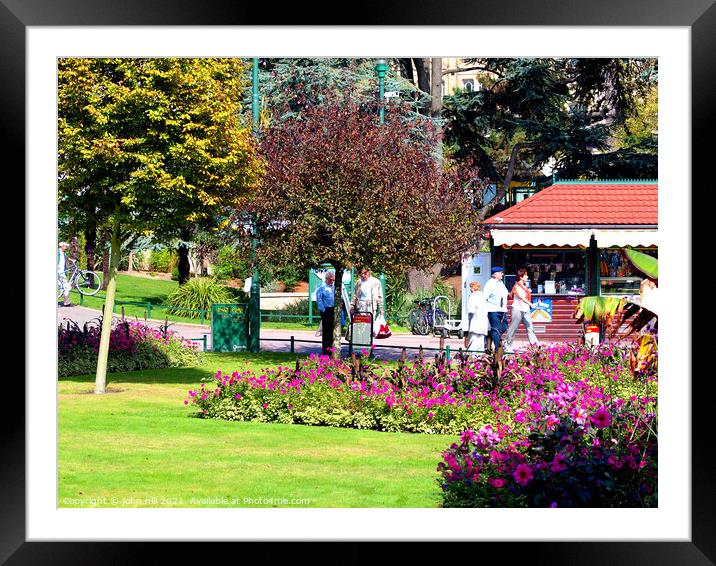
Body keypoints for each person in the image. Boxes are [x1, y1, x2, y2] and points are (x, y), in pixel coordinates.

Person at [504, 268, 539, 353]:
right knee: (513, 328)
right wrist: (531, 304)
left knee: (530, 328)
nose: (527, 276)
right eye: (526, 275)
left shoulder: (524, 285)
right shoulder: (516, 286)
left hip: (525, 310)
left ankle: (535, 346)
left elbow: (525, 294)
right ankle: (507, 345)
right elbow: (521, 297)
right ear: (521, 277)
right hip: (517, 309)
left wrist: (529, 291)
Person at [483, 266, 509, 353]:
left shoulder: (501, 283)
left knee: (504, 326)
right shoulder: (489, 284)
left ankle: (490, 336)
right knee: (496, 329)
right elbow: (485, 298)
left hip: (502, 309)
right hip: (493, 309)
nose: (502, 274)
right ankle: (498, 350)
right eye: (500, 272)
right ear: (495, 274)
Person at [351, 267, 384, 335]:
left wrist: (381, 307)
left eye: (365, 273)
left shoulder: (375, 281)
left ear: (369, 272)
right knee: (361, 323)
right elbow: (355, 294)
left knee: (370, 324)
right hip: (361, 305)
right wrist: (352, 305)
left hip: (371, 305)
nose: (363, 275)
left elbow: (379, 296)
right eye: (362, 273)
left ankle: (369, 342)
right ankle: (362, 340)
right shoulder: (359, 282)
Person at [466, 281, 489, 355]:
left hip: (475, 320)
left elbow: (471, 309)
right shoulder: (483, 296)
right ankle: (480, 356)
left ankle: (471, 356)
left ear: (473, 288)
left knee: (473, 340)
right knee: (481, 342)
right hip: (483, 320)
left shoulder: (473, 296)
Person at [316, 271, 336, 355]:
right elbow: (319, 299)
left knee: (333, 331)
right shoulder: (322, 287)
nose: (332, 281)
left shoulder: (334, 287)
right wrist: (323, 310)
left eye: (333, 280)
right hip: (326, 310)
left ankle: (332, 349)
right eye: (330, 280)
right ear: (326, 279)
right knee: (326, 331)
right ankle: (326, 350)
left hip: (333, 309)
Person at [57, 241, 72, 306]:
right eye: (65, 246)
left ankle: (66, 302)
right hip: (58, 272)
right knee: (66, 286)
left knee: (64, 287)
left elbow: (67, 258)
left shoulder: (63, 253)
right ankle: (66, 302)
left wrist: (72, 260)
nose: (66, 247)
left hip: (62, 273)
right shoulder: (57, 252)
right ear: (62, 246)